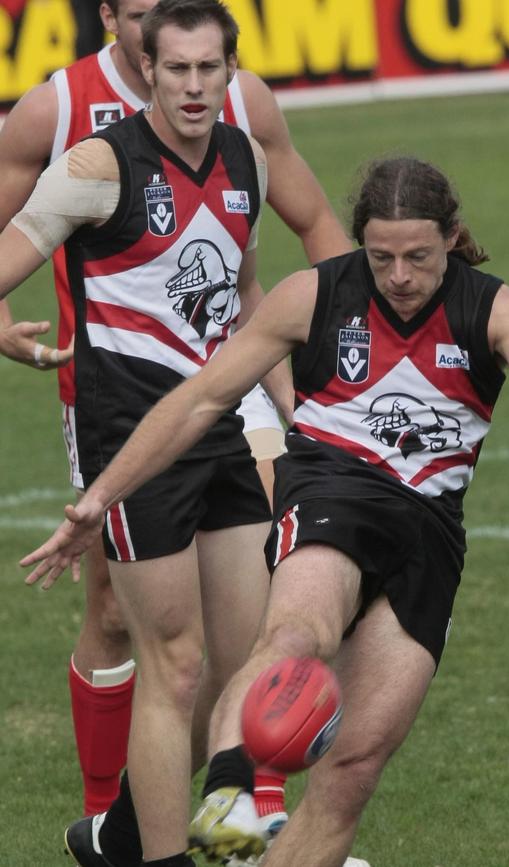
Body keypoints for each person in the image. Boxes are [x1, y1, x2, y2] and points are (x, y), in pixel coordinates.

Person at [19, 154, 509, 866]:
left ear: (451, 238)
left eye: (418, 256)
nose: (400, 276)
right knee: (296, 634)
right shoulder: (312, 296)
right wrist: (98, 498)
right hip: (332, 492)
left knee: (350, 773)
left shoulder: (499, 308)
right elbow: (198, 400)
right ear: (361, 244)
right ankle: (229, 800)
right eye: (381, 257)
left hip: (430, 533)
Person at [0, 0, 351, 826]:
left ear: (232, 72)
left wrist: (304, 401)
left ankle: (131, 835)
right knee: (175, 663)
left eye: (209, 69)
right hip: (127, 432)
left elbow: (246, 292)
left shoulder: (247, 160)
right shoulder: (91, 161)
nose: (194, 86)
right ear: (145, 67)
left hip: (218, 422)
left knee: (244, 658)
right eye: (177, 69)